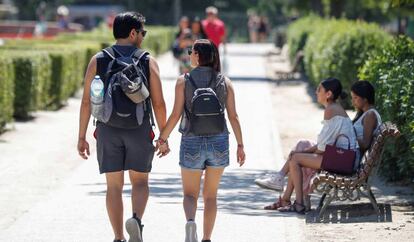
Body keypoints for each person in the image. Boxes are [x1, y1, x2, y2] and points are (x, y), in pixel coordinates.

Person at [77, 12, 167, 242]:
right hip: (139, 128)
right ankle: (136, 220)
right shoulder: (147, 60)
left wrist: (81, 136)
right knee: (140, 181)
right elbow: (158, 102)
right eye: (142, 33)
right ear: (133, 33)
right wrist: (163, 136)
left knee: (113, 186)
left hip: (107, 128)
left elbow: (87, 101)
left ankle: (118, 237)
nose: (143, 37)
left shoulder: (98, 59)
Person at [155, 39, 246, 242]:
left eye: (191, 51)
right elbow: (233, 116)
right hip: (219, 141)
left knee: (190, 194)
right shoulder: (225, 81)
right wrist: (240, 145)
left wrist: (162, 138)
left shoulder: (184, 80)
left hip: (191, 141)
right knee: (211, 196)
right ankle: (206, 238)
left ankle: (190, 223)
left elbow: (175, 114)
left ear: (197, 55)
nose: (189, 55)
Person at [256, 78, 359, 213]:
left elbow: (322, 148)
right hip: (342, 157)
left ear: (328, 94)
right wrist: (305, 150)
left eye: (319, 90)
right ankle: (284, 195)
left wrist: (304, 153)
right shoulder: (334, 108)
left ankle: (298, 203)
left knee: (295, 159)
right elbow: (323, 145)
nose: (316, 92)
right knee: (301, 145)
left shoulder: (332, 110)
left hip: (343, 161)